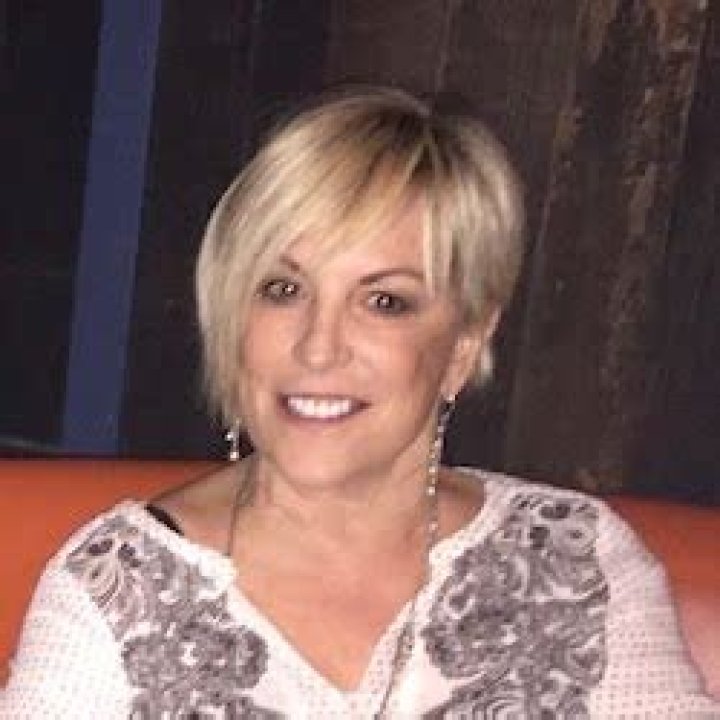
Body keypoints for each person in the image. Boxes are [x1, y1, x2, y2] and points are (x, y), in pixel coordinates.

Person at [2, 86, 718, 719]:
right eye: (283, 290)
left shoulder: (577, 564)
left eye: (384, 301)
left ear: (464, 342)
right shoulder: (116, 588)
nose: (319, 348)